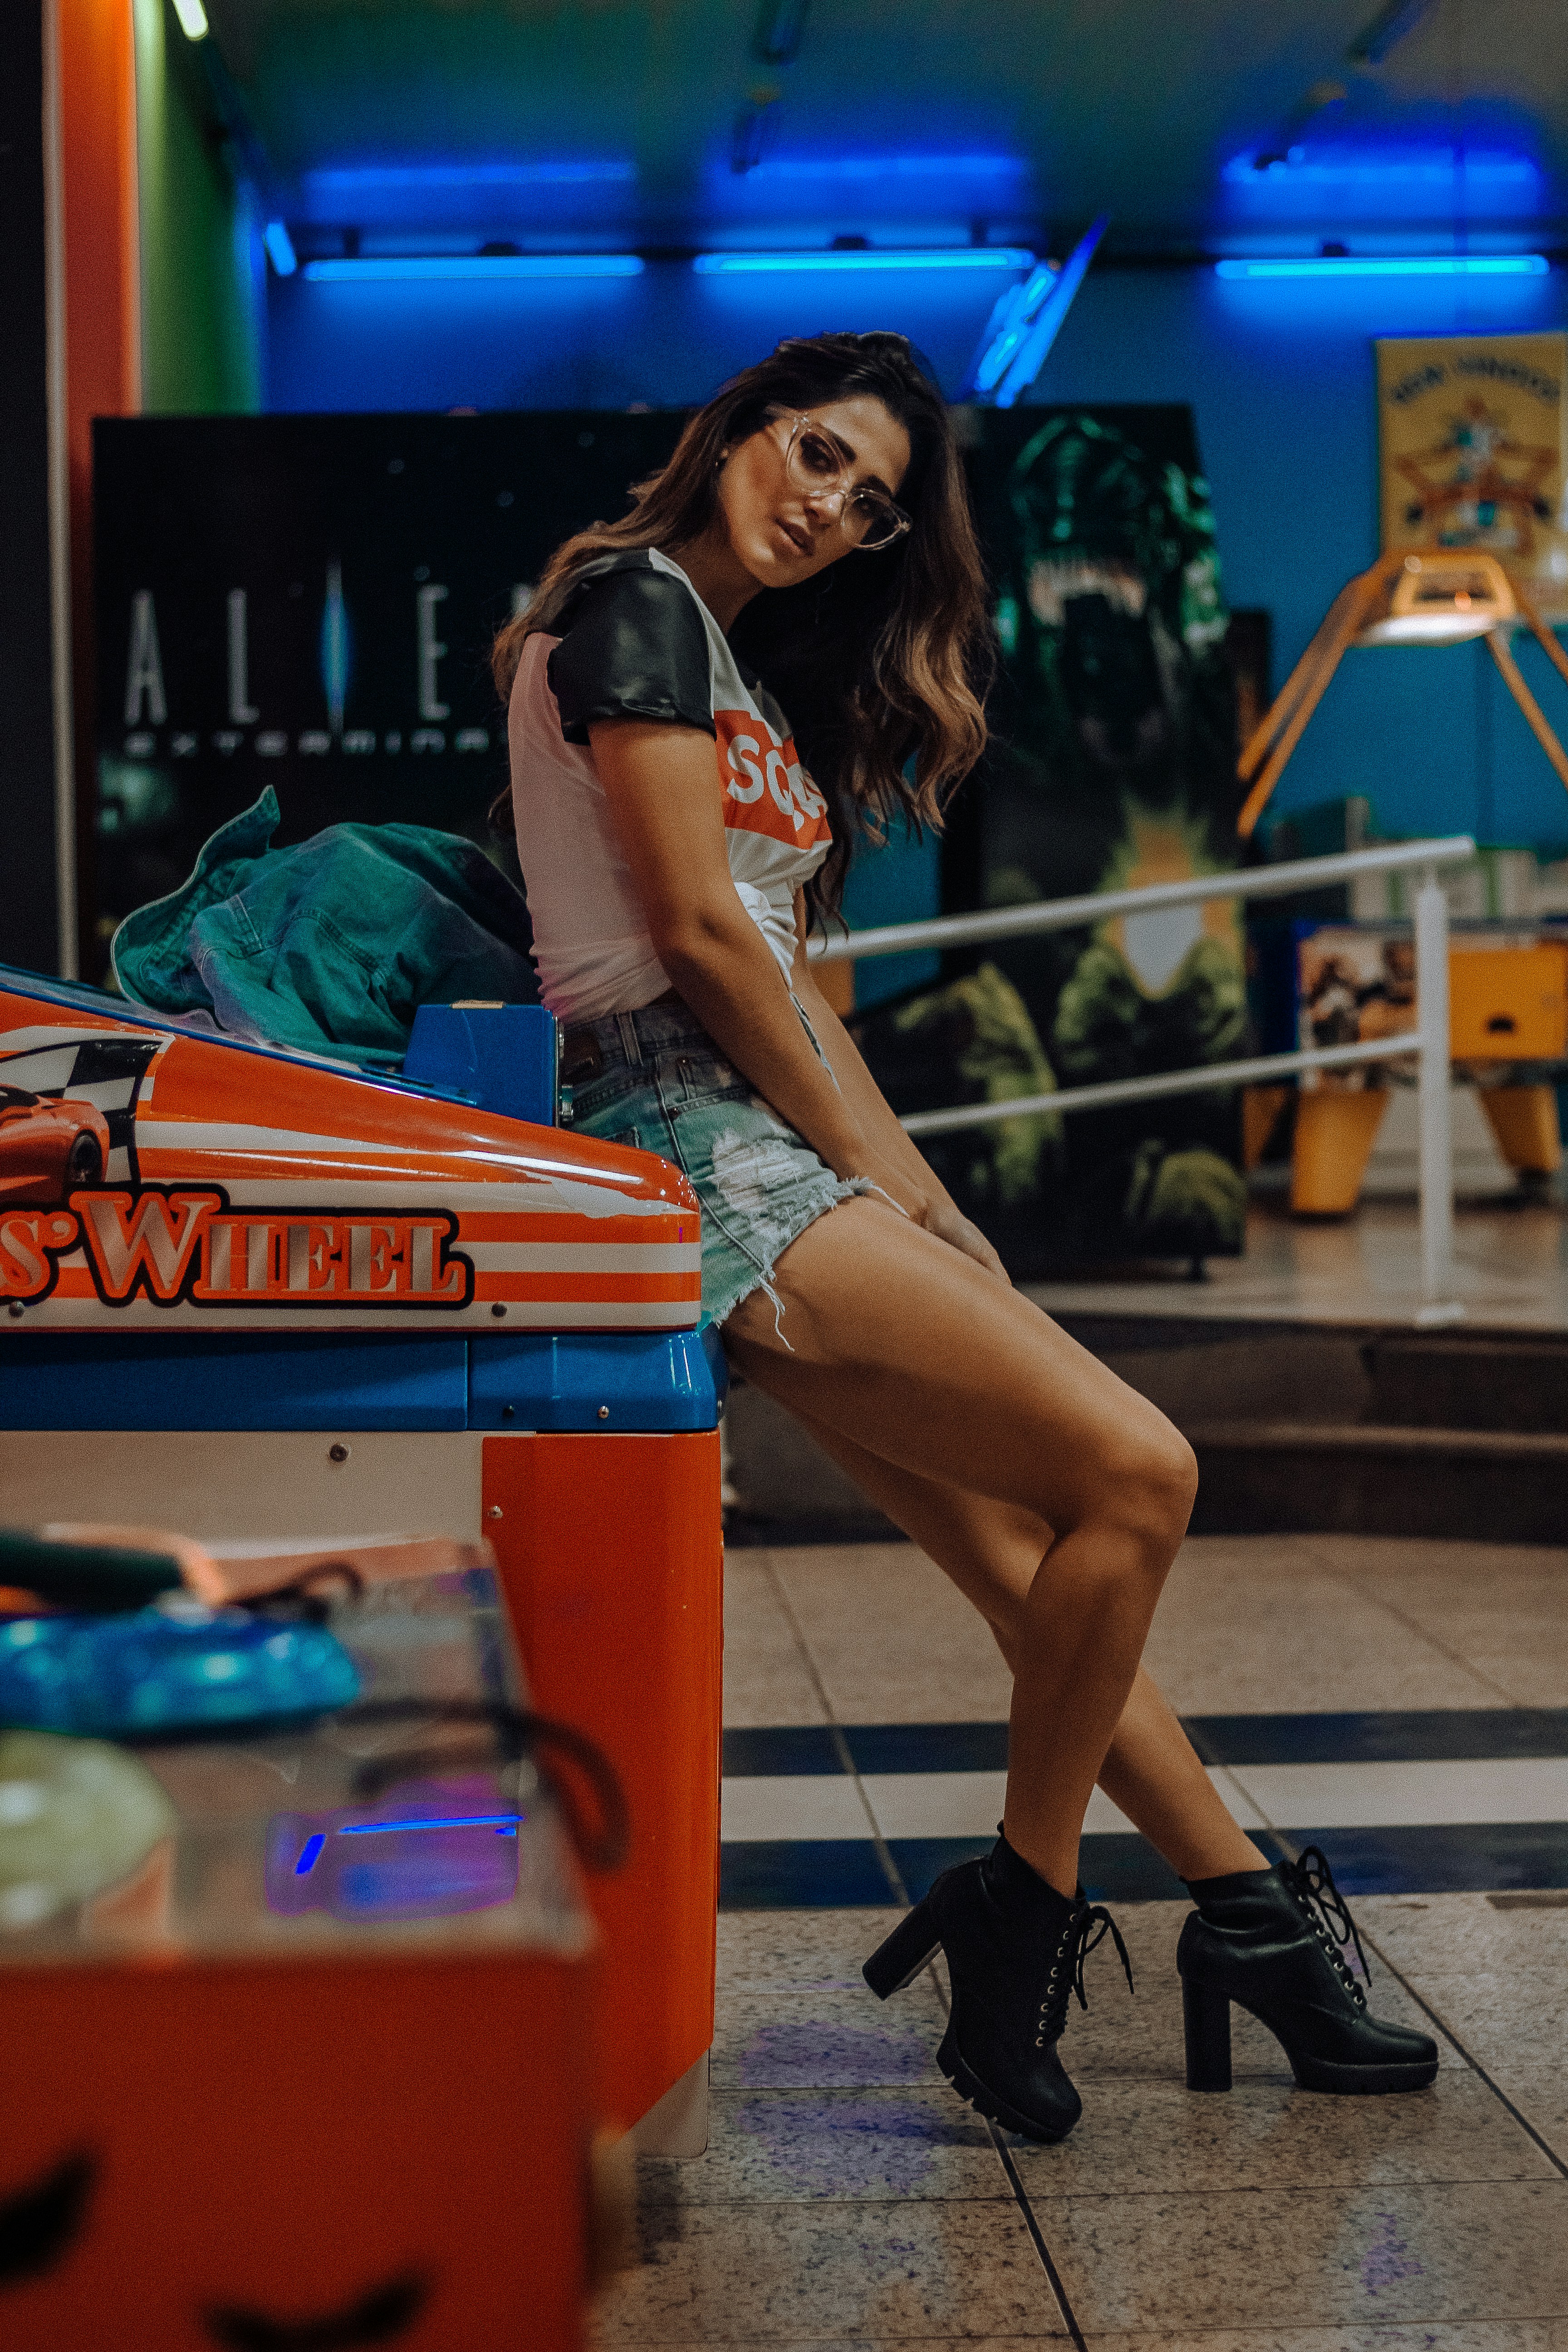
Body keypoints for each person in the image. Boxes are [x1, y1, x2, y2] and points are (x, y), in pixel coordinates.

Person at [494, 331, 1436, 2141]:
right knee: (1137, 1474)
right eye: (818, 455)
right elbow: (697, 941)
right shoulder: (631, 610)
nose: (833, 508)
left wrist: (923, 1197)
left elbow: (789, 983)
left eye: (870, 502)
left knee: (1031, 1575)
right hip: (693, 1137)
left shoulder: (717, 660)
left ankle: (1248, 1917)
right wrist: (876, 1181)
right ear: (741, 426)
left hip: (762, 1134)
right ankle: (1024, 1903)